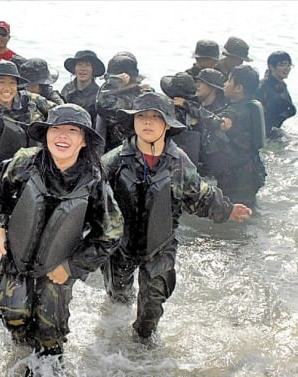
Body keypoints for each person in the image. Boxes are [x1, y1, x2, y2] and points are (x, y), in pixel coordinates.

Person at [101, 91, 253, 341]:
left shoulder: (178, 161)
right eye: (141, 117)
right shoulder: (116, 159)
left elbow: (199, 194)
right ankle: (112, 344)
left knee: (152, 306)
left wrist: (226, 210)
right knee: (117, 299)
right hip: (120, 243)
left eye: (155, 117)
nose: (147, 122)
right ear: (133, 122)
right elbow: (91, 191)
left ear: (167, 124)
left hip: (160, 241)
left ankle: (143, 349)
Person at [0, 104, 123, 372]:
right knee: (13, 316)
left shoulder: (93, 181)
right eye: (56, 129)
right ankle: (22, 358)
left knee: (50, 336)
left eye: (72, 131)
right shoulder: (24, 162)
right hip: (18, 256)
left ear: (84, 141)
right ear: (46, 133)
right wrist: (0, 227)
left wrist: (72, 267)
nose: (62, 136)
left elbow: (110, 234)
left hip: (57, 266)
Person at [0, 60, 56, 188]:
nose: (7, 87)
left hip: (41, 167)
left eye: (12, 82)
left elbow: (61, 115)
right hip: (6, 175)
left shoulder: (33, 101)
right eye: (1, 82)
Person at [212, 65, 266, 208]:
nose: (225, 84)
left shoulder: (235, 110)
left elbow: (225, 124)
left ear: (238, 88)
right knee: (248, 209)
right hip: (252, 169)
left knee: (231, 211)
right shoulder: (250, 106)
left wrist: (203, 117)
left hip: (238, 175)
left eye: (229, 80)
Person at [95, 52, 149, 153]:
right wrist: (115, 85)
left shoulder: (143, 94)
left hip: (136, 151)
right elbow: (103, 107)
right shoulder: (107, 94)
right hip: (110, 151)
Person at [256, 51, 296, 139]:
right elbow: (256, 111)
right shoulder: (263, 86)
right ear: (271, 67)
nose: (287, 68)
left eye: (289, 65)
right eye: (282, 65)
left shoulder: (282, 85)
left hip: (274, 129)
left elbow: (290, 108)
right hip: (262, 132)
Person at [60, 50, 105, 121]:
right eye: (79, 64)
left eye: (87, 65)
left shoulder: (99, 95)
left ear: (93, 70)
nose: (83, 69)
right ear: (74, 68)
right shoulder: (67, 88)